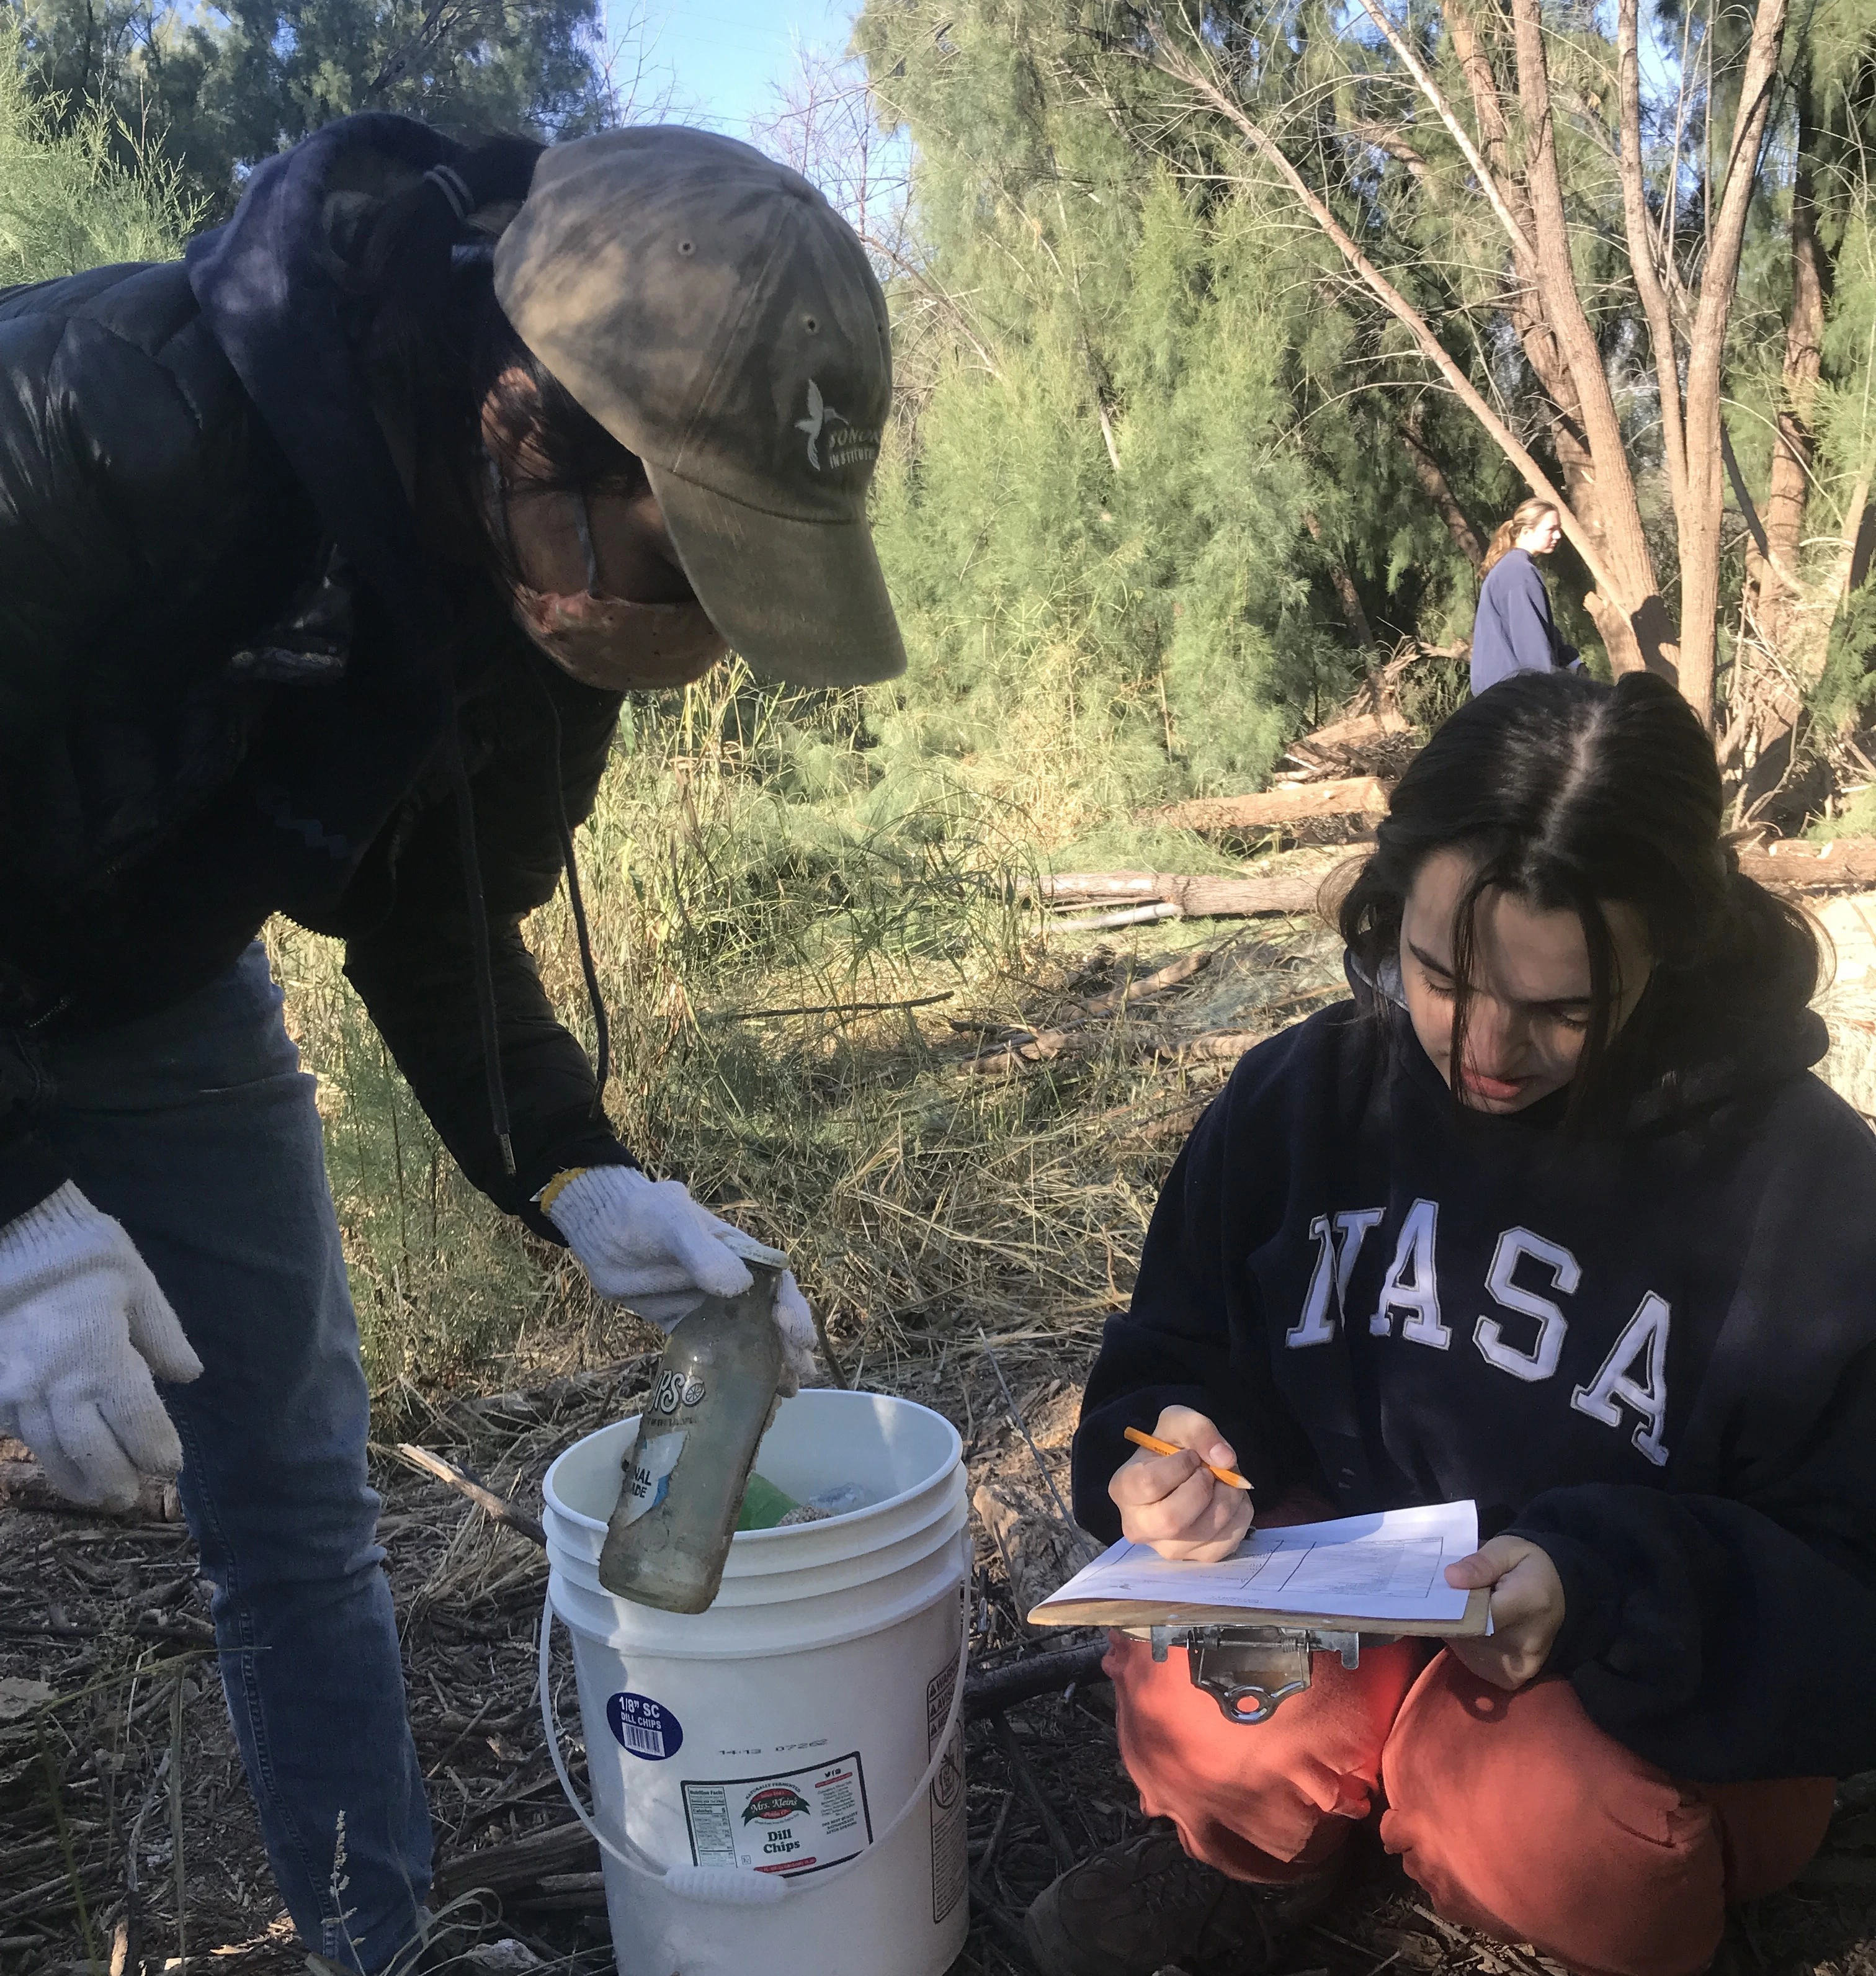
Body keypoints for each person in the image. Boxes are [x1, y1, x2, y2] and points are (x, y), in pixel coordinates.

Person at [0, 114, 901, 1972]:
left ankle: (374, 1939)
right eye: (687, 558)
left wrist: (576, 1168)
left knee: (295, 1487)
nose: (695, 630)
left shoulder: (539, 586)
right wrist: (16, 1196)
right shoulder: (118, 419)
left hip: (154, 987)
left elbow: (438, 894)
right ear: (526, 416)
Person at [1027, 671, 1876, 1976]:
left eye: (1562, 1008)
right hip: (1354, 1606)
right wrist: (1178, 1444)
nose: (1482, 1044)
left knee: (1569, 1833)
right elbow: (1180, 1347)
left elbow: (1849, 1581)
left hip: (1630, 1679)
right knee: (1198, 1695)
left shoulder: (1809, 1192)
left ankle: (1472, 1825)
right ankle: (1273, 1860)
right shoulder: (1305, 1097)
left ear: (1675, 948)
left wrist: (1602, 1579)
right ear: (1389, 900)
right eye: (1440, 972)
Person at [1469, 496, 1578, 694]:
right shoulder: (1519, 573)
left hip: (1499, 695)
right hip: (1513, 700)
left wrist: (1571, 659)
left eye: (1559, 528)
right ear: (1527, 531)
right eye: (1551, 529)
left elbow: (1540, 628)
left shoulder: (1512, 568)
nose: (1559, 536)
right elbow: (1532, 643)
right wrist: (1552, 693)